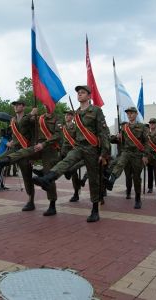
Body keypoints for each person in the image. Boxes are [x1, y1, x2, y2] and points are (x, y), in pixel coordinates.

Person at [31, 85, 110, 222]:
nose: (79, 94)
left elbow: (103, 133)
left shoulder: (96, 110)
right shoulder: (77, 113)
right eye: (78, 93)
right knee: (66, 161)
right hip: (79, 146)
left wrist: (104, 153)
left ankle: (95, 209)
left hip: (92, 149)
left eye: (82, 92)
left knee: (93, 180)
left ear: (89, 96)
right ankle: (48, 178)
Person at [0, 105, 61, 216]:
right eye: (44, 104)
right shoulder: (38, 118)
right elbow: (30, 130)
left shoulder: (57, 119)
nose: (46, 106)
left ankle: (52, 204)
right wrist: (32, 116)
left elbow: (58, 135)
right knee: (22, 172)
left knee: (48, 173)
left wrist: (39, 146)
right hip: (32, 148)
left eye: (48, 103)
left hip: (49, 148)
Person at [105, 107, 149, 209]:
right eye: (128, 114)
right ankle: (112, 180)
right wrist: (117, 137)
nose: (129, 115)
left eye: (131, 113)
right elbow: (121, 141)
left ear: (136, 114)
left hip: (137, 154)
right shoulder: (124, 127)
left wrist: (145, 155)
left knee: (136, 178)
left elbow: (146, 142)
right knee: (120, 163)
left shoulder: (142, 127)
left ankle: (138, 198)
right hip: (126, 151)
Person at [60, 110, 82, 202]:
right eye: (66, 115)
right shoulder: (62, 127)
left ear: (72, 117)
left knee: (74, 174)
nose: (67, 116)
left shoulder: (76, 127)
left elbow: (79, 139)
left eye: (69, 115)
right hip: (63, 152)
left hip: (72, 151)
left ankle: (76, 193)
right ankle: (66, 172)